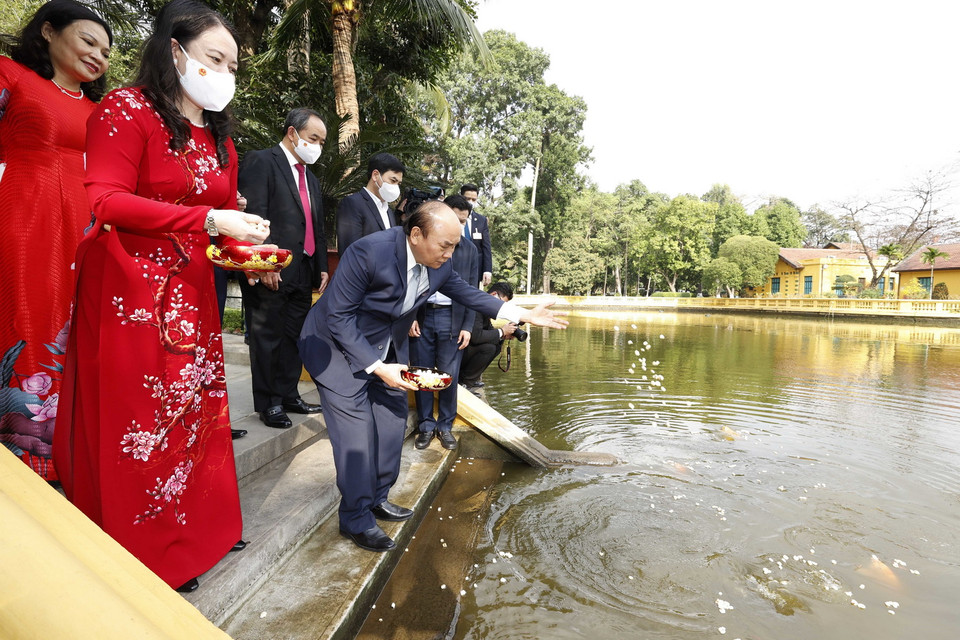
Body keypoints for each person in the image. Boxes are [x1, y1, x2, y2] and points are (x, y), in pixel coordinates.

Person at [52, 0, 269, 593]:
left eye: (231, 65)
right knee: (141, 416)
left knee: (194, 411)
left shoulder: (217, 135)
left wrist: (239, 241)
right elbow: (105, 201)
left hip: (193, 288)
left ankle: (200, 530)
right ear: (175, 51)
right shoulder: (126, 110)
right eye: (213, 58)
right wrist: (211, 218)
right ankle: (146, 548)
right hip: (131, 288)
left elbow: (212, 215)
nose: (223, 73)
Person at [298, 201, 568, 552]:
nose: (450, 253)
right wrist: (377, 367)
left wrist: (520, 314)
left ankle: (377, 498)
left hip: (384, 352)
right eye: (445, 245)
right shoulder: (369, 253)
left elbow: (468, 294)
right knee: (357, 442)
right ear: (415, 234)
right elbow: (338, 317)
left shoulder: (439, 264)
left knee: (393, 426)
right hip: (333, 349)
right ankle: (355, 518)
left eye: (455, 245)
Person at [0, 0, 112, 481]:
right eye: (89, 41)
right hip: (25, 221)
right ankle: (24, 458)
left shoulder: (100, 110)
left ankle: (65, 453)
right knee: (28, 318)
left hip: (84, 231)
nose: (98, 56)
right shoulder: (12, 76)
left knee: (78, 332)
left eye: (106, 52)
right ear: (48, 31)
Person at [238, 107, 330, 429]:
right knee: (267, 337)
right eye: (313, 138)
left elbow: (316, 226)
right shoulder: (262, 161)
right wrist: (265, 262)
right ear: (293, 133)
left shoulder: (313, 180)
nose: (317, 146)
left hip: (303, 270)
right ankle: (269, 403)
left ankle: (289, 394)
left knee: (294, 337)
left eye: (322, 141)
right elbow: (255, 219)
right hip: (270, 269)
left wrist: (320, 265)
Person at [409, 195, 477, 451]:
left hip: (453, 318)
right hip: (423, 315)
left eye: (463, 222)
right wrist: (411, 317)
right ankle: (426, 425)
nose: (459, 226)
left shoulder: (469, 249)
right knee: (422, 373)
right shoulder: (426, 243)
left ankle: (445, 426)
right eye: (455, 219)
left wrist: (467, 326)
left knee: (449, 375)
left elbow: (472, 289)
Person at [336, 152, 404, 255]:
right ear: (375, 175)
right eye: (393, 180)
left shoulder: (388, 211)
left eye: (398, 183)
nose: (395, 187)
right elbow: (350, 253)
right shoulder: (353, 204)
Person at [460, 282, 518, 390]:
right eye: (501, 303)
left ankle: (470, 380)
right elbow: (476, 337)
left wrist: (503, 335)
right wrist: (502, 331)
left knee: (496, 346)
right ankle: (465, 382)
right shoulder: (477, 305)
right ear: (494, 294)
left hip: (465, 349)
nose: (500, 308)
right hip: (457, 349)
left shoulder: (485, 308)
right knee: (489, 348)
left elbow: (490, 332)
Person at [460, 183, 492, 287]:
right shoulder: (452, 217)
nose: (470, 202)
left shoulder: (481, 220)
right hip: (456, 265)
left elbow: (486, 247)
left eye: (474, 200)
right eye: (467, 198)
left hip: (474, 269)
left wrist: (487, 270)